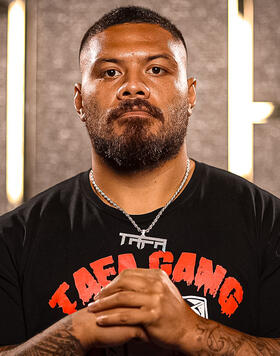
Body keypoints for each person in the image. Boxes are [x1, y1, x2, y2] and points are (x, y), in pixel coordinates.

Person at [0, 5, 280, 355]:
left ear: (190, 94)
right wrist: (78, 331)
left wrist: (191, 331)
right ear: (79, 100)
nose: (133, 86)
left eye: (157, 69)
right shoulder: (14, 239)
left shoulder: (267, 222)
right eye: (111, 72)